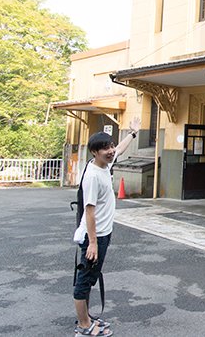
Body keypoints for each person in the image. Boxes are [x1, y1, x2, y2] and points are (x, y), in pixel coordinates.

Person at [73, 117, 141, 337]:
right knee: (84, 280)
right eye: (105, 148)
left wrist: (133, 132)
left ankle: (87, 319)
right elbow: (89, 210)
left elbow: (120, 149)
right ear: (94, 152)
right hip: (94, 236)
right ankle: (83, 326)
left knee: (91, 278)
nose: (111, 150)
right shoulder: (92, 176)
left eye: (110, 146)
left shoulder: (105, 164)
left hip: (103, 233)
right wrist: (92, 242)